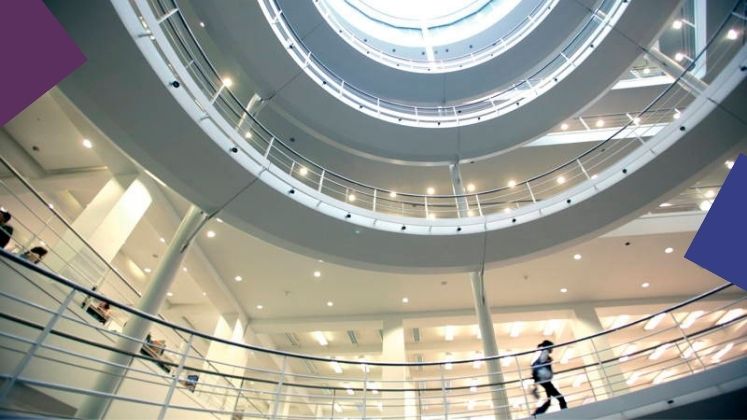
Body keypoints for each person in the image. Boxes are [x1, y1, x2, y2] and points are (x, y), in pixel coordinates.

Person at [531, 340, 567, 415]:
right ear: (548, 347)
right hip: (545, 381)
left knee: (549, 401)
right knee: (561, 398)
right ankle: (566, 413)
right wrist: (548, 360)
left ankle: (536, 414)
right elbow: (541, 362)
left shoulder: (544, 354)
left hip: (544, 381)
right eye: (551, 348)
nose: (552, 349)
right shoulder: (545, 352)